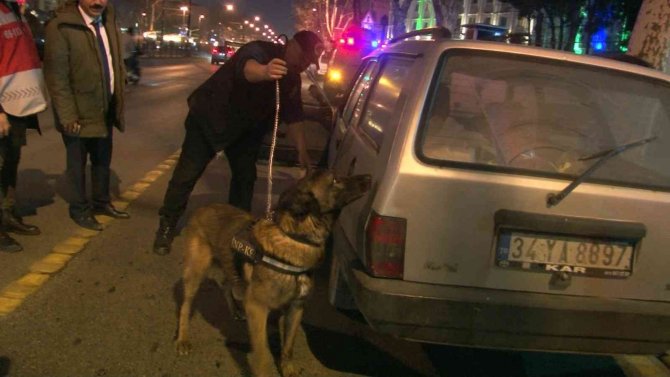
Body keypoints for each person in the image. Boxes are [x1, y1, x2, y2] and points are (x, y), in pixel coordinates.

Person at [152, 31, 323, 255]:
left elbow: (294, 117)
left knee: (245, 179)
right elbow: (247, 68)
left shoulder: (292, 78)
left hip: (244, 131)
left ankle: (236, 231)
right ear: (291, 45)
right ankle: (167, 224)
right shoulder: (261, 50)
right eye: (303, 57)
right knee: (187, 173)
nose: (304, 63)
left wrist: (302, 151)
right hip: (211, 119)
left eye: (309, 61)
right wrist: (264, 71)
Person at [43, 0, 129, 231]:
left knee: (102, 161)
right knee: (77, 165)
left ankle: (101, 203)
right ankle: (80, 209)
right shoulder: (60, 27)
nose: (98, 2)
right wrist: (67, 115)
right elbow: (56, 77)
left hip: (105, 108)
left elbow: (114, 62)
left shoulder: (108, 20)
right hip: (77, 114)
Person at [0, 0, 48, 252]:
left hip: (16, 106)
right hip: (3, 108)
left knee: (10, 165)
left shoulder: (16, 12)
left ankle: (6, 216)